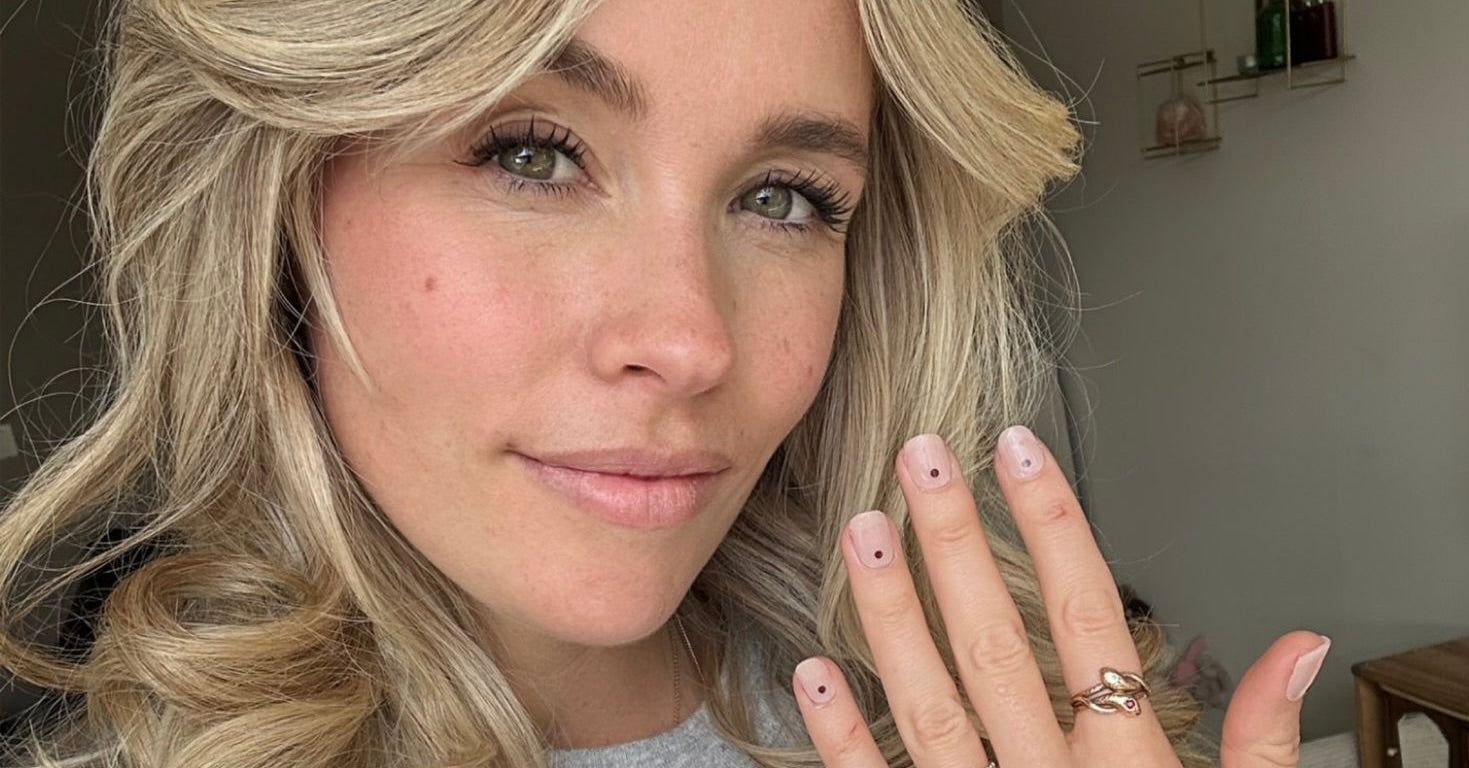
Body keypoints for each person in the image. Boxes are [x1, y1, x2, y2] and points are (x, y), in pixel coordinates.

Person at [0, 0, 1330, 766]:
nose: (693, 342)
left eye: (784, 196)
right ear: (280, 206)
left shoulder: (953, 724)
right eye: (530, 154)